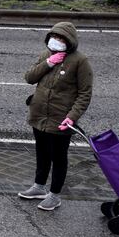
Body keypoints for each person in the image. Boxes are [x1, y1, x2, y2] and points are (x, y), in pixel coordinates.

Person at [19, 21, 94, 211]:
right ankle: (39, 186)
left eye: (60, 38)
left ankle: (54, 195)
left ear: (69, 41)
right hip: (39, 115)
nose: (56, 40)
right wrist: (48, 63)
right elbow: (29, 78)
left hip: (61, 119)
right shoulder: (46, 55)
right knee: (42, 152)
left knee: (59, 157)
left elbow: (85, 93)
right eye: (54, 36)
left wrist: (73, 116)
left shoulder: (80, 61)